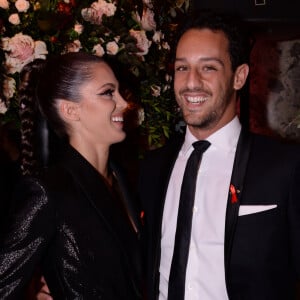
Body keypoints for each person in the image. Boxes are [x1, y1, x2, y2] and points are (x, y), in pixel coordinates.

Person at [139, 10, 300, 300]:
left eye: (208, 68)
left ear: (239, 76)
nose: (191, 82)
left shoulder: (285, 167)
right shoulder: (151, 168)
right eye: (182, 68)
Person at [0, 52, 142, 299]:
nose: (123, 103)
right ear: (70, 110)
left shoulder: (123, 179)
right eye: (108, 92)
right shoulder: (48, 191)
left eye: (119, 91)